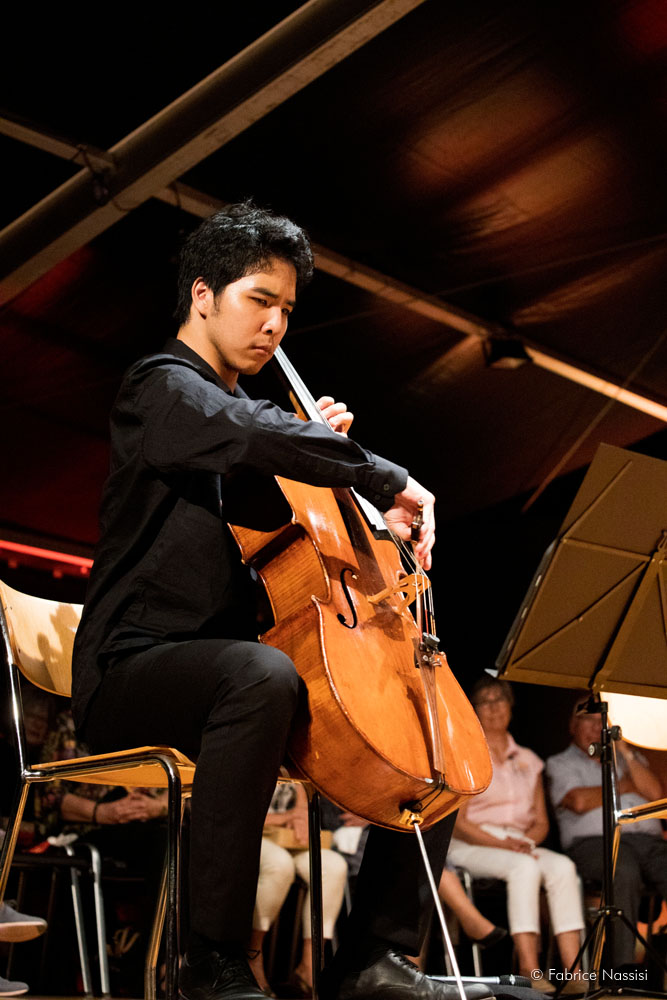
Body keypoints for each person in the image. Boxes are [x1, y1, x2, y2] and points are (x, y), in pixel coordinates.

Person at [70, 203, 491, 1000]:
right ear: (203, 294)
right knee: (258, 676)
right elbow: (241, 429)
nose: (274, 325)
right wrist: (367, 468)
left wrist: (324, 467)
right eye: (258, 300)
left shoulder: (249, 425)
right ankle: (210, 959)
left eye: (287, 310)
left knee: (432, 714)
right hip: (135, 670)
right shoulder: (160, 388)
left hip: (243, 677)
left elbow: (264, 460)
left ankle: (372, 958)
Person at [446, 678, 584, 992]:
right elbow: (460, 823)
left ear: (510, 707)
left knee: (562, 867)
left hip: (520, 841)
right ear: (475, 709)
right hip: (473, 842)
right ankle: (529, 969)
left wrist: (525, 842)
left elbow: (541, 822)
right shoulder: (466, 754)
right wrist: (503, 845)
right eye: (485, 701)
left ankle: (573, 971)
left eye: (500, 700)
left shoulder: (528, 760)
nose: (494, 707)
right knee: (525, 867)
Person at [545, 704, 667, 969]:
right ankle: (622, 971)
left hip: (649, 843)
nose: (596, 726)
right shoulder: (560, 763)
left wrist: (625, 751)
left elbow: (656, 794)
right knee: (622, 870)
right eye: (587, 720)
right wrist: (628, 785)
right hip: (595, 844)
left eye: (601, 720)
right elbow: (578, 801)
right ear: (572, 726)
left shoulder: (630, 759)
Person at [248, 783, 347, 996]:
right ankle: (252, 955)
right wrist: (284, 817)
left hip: (288, 836)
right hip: (250, 835)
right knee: (279, 864)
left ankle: (309, 965)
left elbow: (302, 791)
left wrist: (300, 815)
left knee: (334, 865)